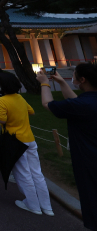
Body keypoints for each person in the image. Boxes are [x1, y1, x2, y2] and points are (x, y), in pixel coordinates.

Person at [0, 72, 53, 216]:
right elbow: (31, 111)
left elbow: (2, 120)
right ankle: (46, 206)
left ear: (2, 86)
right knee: (37, 173)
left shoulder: (2, 101)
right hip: (29, 138)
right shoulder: (20, 97)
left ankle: (33, 204)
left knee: (23, 173)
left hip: (14, 141)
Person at [40, 63, 97, 230]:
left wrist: (44, 83)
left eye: (74, 75)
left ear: (82, 80)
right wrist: (62, 82)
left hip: (88, 158)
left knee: (91, 197)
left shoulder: (82, 105)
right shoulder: (85, 103)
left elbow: (47, 104)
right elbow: (75, 102)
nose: (72, 78)